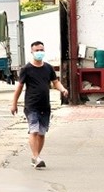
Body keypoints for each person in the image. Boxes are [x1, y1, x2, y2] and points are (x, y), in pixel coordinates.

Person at [10, 40, 68, 169]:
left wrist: (63, 89)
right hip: (32, 105)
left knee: (42, 133)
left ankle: (36, 157)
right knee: (34, 130)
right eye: (37, 50)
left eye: (41, 50)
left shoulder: (48, 68)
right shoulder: (26, 69)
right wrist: (14, 104)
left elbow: (55, 82)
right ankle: (36, 157)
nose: (39, 52)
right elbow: (19, 87)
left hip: (45, 106)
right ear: (32, 52)